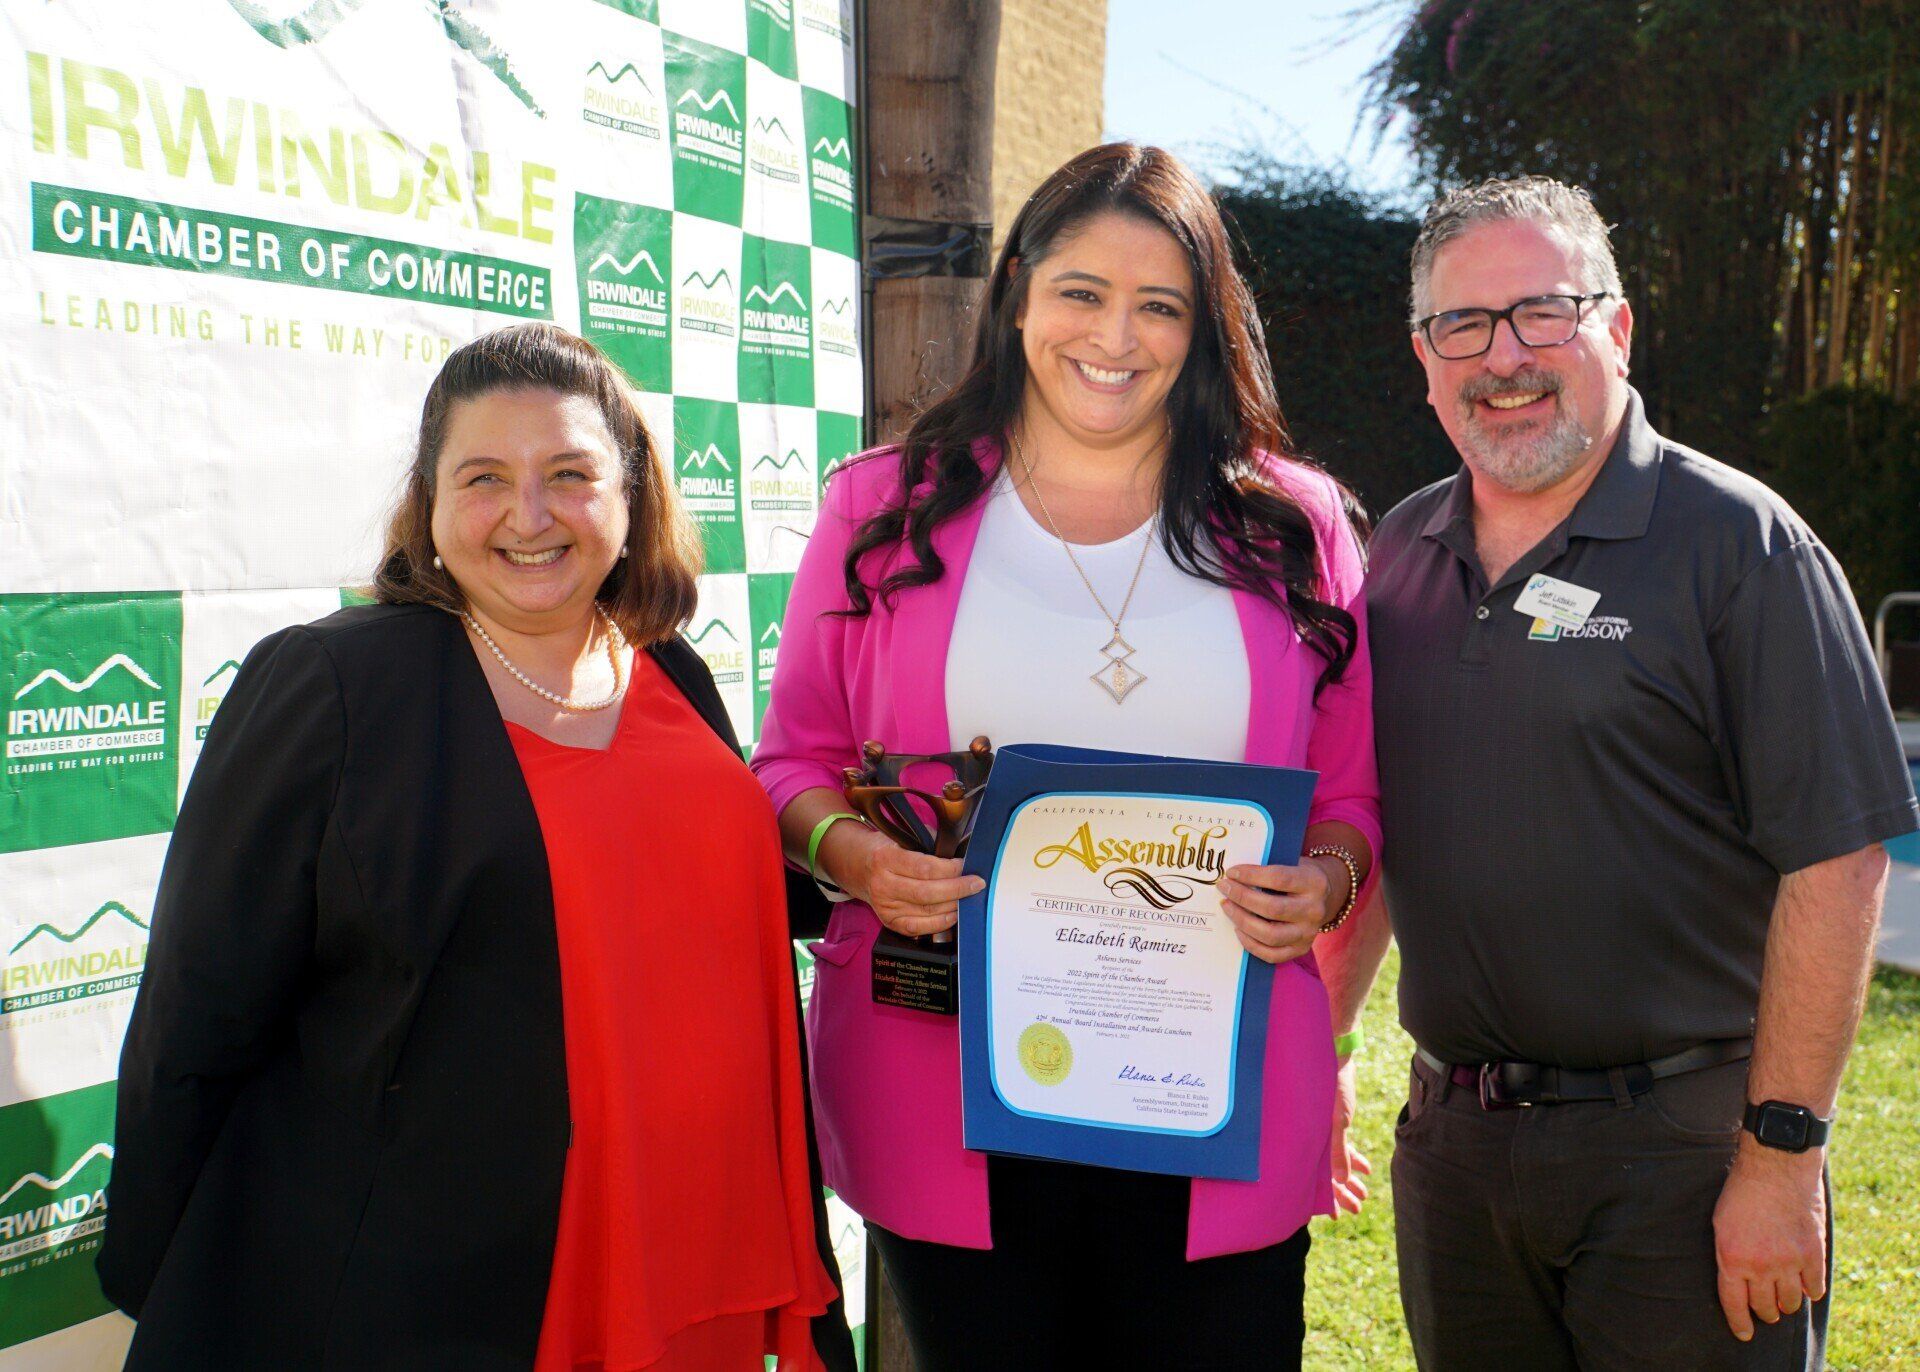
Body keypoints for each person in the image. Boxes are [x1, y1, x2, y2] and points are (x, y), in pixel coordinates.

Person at [97, 323, 853, 1371]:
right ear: (432, 504)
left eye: (571, 474)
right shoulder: (333, 686)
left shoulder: (671, 667)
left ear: (630, 497)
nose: (529, 514)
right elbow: (196, 1011)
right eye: (485, 476)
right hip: (461, 1298)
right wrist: (168, 1275)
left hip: (701, 1254)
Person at [750, 142, 1383, 1370]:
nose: (1118, 335)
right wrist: (862, 862)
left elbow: (1352, 794)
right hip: (947, 1094)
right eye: (1084, 291)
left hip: (1219, 1098)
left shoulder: (1295, 528)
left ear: (1205, 332)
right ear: (1020, 294)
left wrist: (1329, 884)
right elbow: (791, 765)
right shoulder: (882, 511)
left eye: (1162, 305)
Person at [1358, 177, 1920, 1369]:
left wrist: (1781, 1155)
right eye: (1465, 324)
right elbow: (1369, 821)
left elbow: (1840, 858)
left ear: (1616, 328)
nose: (1503, 356)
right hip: (1456, 1158)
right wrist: (1312, 1062)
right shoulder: (1398, 553)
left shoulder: (1742, 545)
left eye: (1542, 314)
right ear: (1424, 359)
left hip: (1683, 1155)